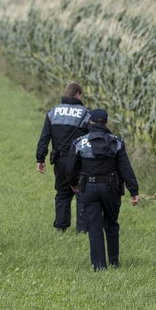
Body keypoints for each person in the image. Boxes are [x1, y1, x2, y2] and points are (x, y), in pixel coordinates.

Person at [66, 109, 140, 271]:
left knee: (94, 226)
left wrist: (73, 183)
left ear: (91, 121)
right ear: (106, 123)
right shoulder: (116, 142)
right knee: (111, 224)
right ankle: (114, 262)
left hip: (89, 188)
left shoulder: (79, 142)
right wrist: (133, 191)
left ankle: (99, 266)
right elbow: (125, 168)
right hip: (111, 189)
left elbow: (70, 168)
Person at [36, 82, 90, 233]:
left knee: (62, 192)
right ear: (78, 94)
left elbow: (45, 137)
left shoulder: (53, 112)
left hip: (60, 159)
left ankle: (61, 226)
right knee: (81, 191)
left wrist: (40, 159)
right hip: (80, 160)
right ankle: (83, 229)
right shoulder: (86, 114)